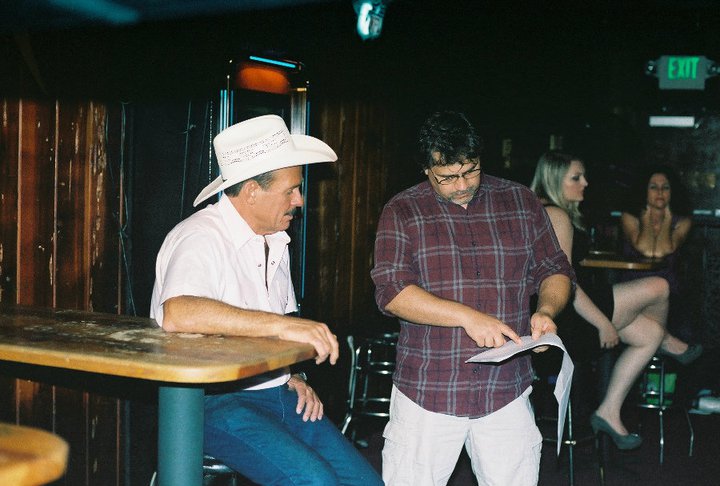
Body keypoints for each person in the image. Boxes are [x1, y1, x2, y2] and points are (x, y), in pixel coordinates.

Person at [150, 114, 383, 486]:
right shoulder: (199, 237)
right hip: (212, 402)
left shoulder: (276, 239)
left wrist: (295, 374)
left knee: (365, 483)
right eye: (290, 190)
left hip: (276, 392)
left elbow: (279, 321)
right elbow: (178, 313)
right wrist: (284, 326)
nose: (300, 200)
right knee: (316, 482)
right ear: (252, 192)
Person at [371, 111, 574, 486]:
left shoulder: (520, 200)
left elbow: (554, 268)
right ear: (426, 169)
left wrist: (546, 310)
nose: (462, 184)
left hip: (506, 390)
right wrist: (467, 317)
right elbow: (392, 292)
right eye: (448, 177)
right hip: (428, 389)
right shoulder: (402, 210)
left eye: (471, 170)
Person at [529, 151, 700, 452]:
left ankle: (608, 410)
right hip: (564, 323)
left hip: (557, 316)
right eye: (576, 177)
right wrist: (603, 322)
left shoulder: (542, 211)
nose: (585, 182)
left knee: (648, 334)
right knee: (660, 286)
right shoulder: (556, 215)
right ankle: (669, 342)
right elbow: (563, 283)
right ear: (555, 180)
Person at [620, 165, 699, 344]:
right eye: (653, 187)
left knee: (682, 324)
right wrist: (647, 219)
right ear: (644, 191)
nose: (660, 192)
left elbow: (662, 251)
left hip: (670, 292)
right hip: (634, 289)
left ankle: (666, 350)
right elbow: (646, 250)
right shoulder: (630, 217)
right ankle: (664, 343)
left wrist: (667, 220)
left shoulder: (682, 220)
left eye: (666, 187)